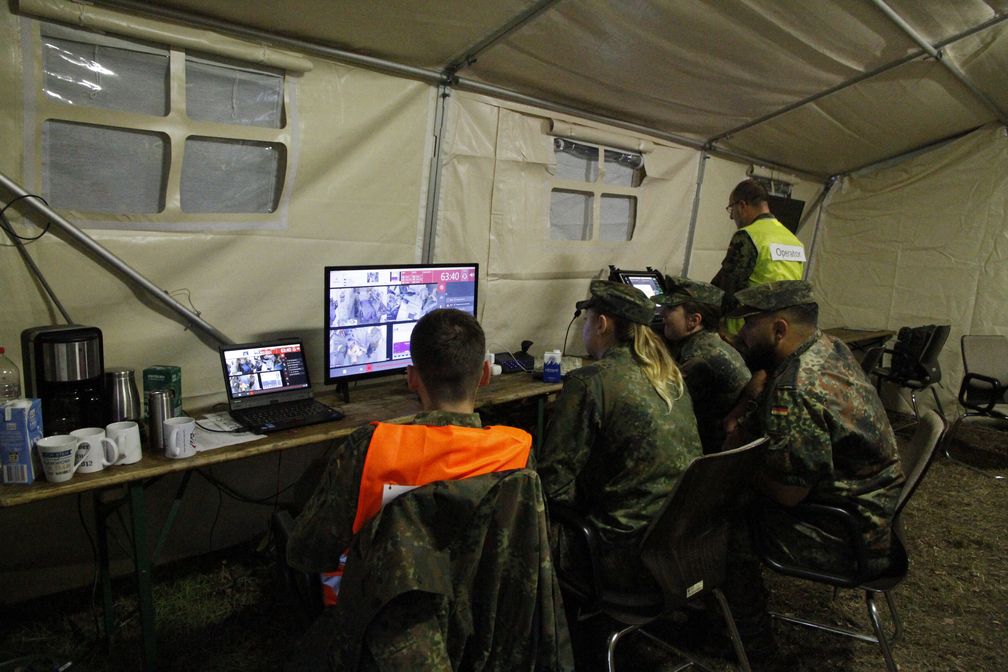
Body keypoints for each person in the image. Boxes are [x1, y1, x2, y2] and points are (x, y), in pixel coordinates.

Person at [721, 280, 905, 666]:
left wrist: (736, 464)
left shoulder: (799, 389)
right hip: (871, 511)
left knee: (725, 526)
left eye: (749, 325)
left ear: (779, 329)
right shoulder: (828, 347)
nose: (740, 335)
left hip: (847, 537)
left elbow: (789, 494)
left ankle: (753, 647)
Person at [537, 279, 702, 593]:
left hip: (616, 549)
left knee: (512, 517)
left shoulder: (590, 382)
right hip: (677, 543)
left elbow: (551, 484)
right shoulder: (669, 376)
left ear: (601, 324)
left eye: (587, 320)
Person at [653, 275, 749, 454]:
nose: (661, 313)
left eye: (670, 308)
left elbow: (665, 407)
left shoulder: (701, 358)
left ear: (694, 321)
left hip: (709, 450)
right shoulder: (708, 342)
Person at [712, 178, 806, 336]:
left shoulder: (748, 236)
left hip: (745, 332)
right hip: (780, 332)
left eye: (731, 209)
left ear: (742, 206)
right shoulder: (794, 240)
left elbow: (728, 288)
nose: (731, 217)